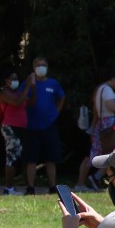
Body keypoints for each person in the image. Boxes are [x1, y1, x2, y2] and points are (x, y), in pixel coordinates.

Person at [75, 66, 115, 191]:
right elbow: (112, 106)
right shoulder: (106, 90)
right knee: (99, 155)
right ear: (112, 78)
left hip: (107, 126)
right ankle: (86, 181)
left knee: (108, 155)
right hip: (109, 127)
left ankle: (94, 178)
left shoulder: (105, 89)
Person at [22, 56, 65, 195]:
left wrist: (56, 112)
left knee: (51, 158)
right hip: (32, 125)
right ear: (33, 68)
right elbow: (25, 101)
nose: (41, 67)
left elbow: (62, 97)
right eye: (38, 65)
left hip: (50, 125)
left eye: (43, 65)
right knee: (31, 158)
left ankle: (52, 186)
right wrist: (31, 86)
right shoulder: (28, 83)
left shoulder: (53, 84)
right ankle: (30, 187)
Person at [0, 69, 33, 195]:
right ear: (6, 80)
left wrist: (33, 87)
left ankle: (12, 187)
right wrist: (27, 86)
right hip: (10, 127)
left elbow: (31, 102)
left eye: (16, 78)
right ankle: (8, 188)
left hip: (21, 127)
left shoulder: (19, 93)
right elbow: (17, 103)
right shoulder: (4, 93)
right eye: (12, 78)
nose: (14, 81)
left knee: (17, 157)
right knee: (11, 157)